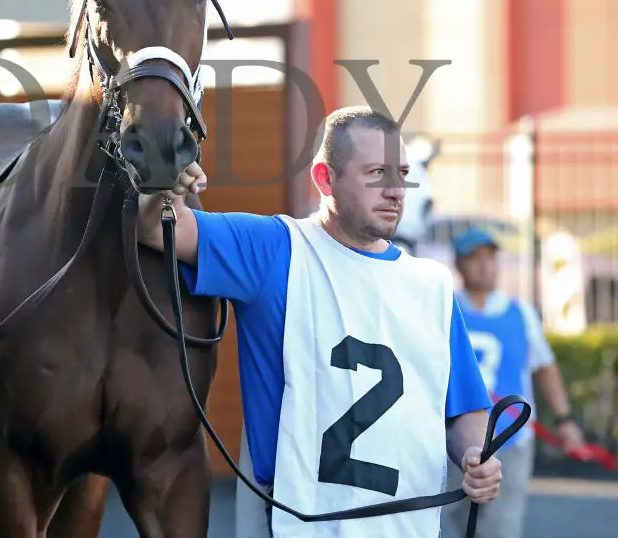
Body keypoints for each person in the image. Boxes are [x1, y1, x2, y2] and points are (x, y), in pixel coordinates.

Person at [136, 106, 503, 537]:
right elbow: (157, 228)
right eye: (376, 173)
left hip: (410, 525)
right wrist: (165, 183)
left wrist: (476, 454)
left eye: (402, 173)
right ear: (325, 179)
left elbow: (462, 409)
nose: (395, 190)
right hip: (298, 523)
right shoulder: (275, 249)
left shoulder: (434, 286)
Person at [439, 227, 585, 538]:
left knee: (502, 528)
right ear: (459, 264)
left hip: (512, 440)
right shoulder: (444, 308)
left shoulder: (521, 313)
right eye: (474, 258)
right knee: (444, 523)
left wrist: (565, 420)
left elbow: (545, 368)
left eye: (490, 258)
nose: (484, 265)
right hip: (453, 438)